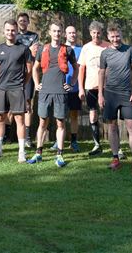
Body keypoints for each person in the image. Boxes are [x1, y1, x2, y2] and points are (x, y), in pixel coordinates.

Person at [27, 21, 78, 167]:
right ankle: (38, 153)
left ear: (62, 33)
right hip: (45, 91)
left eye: (59, 31)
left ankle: (60, 155)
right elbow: (35, 68)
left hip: (60, 92)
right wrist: (37, 84)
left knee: (60, 122)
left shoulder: (68, 50)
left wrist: (72, 84)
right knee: (43, 122)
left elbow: (76, 68)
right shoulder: (43, 48)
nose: (56, 34)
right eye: (54, 31)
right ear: (50, 32)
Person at [98, 24, 132, 175]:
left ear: (121, 35)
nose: (115, 39)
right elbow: (101, 73)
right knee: (112, 127)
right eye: (112, 37)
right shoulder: (105, 53)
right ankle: (115, 159)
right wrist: (100, 94)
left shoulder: (129, 50)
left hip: (127, 94)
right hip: (110, 94)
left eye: (117, 36)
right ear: (108, 37)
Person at [0, 19, 32, 162]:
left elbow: (29, 69)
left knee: (20, 119)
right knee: (0, 118)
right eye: (8, 30)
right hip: (1, 88)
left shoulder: (24, 49)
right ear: (4, 31)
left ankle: (21, 152)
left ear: (17, 31)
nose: (10, 32)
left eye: (13, 30)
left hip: (17, 88)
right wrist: (1, 79)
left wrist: (21, 83)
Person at [78, 21, 110, 156]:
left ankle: (117, 146)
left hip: (107, 87)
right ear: (90, 33)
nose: (96, 36)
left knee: (110, 115)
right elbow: (81, 69)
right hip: (90, 86)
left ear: (102, 33)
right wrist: (80, 88)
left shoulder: (108, 47)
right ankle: (97, 145)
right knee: (93, 114)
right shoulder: (86, 48)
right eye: (93, 33)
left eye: (98, 33)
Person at [50, 25, 82, 152]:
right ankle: (58, 141)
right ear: (65, 34)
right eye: (69, 33)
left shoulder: (82, 49)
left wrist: (75, 84)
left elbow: (80, 69)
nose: (72, 35)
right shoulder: (60, 48)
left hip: (74, 88)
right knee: (59, 116)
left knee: (74, 115)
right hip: (60, 87)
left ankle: (74, 141)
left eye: (74, 33)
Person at [14, 12, 40, 147]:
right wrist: (27, 50)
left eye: (25, 21)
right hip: (15, 74)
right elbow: (14, 54)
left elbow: (34, 52)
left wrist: (24, 51)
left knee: (28, 104)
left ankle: (28, 137)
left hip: (28, 73)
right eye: (20, 21)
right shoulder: (14, 36)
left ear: (28, 22)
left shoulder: (33, 36)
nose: (22, 23)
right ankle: (8, 134)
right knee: (12, 104)